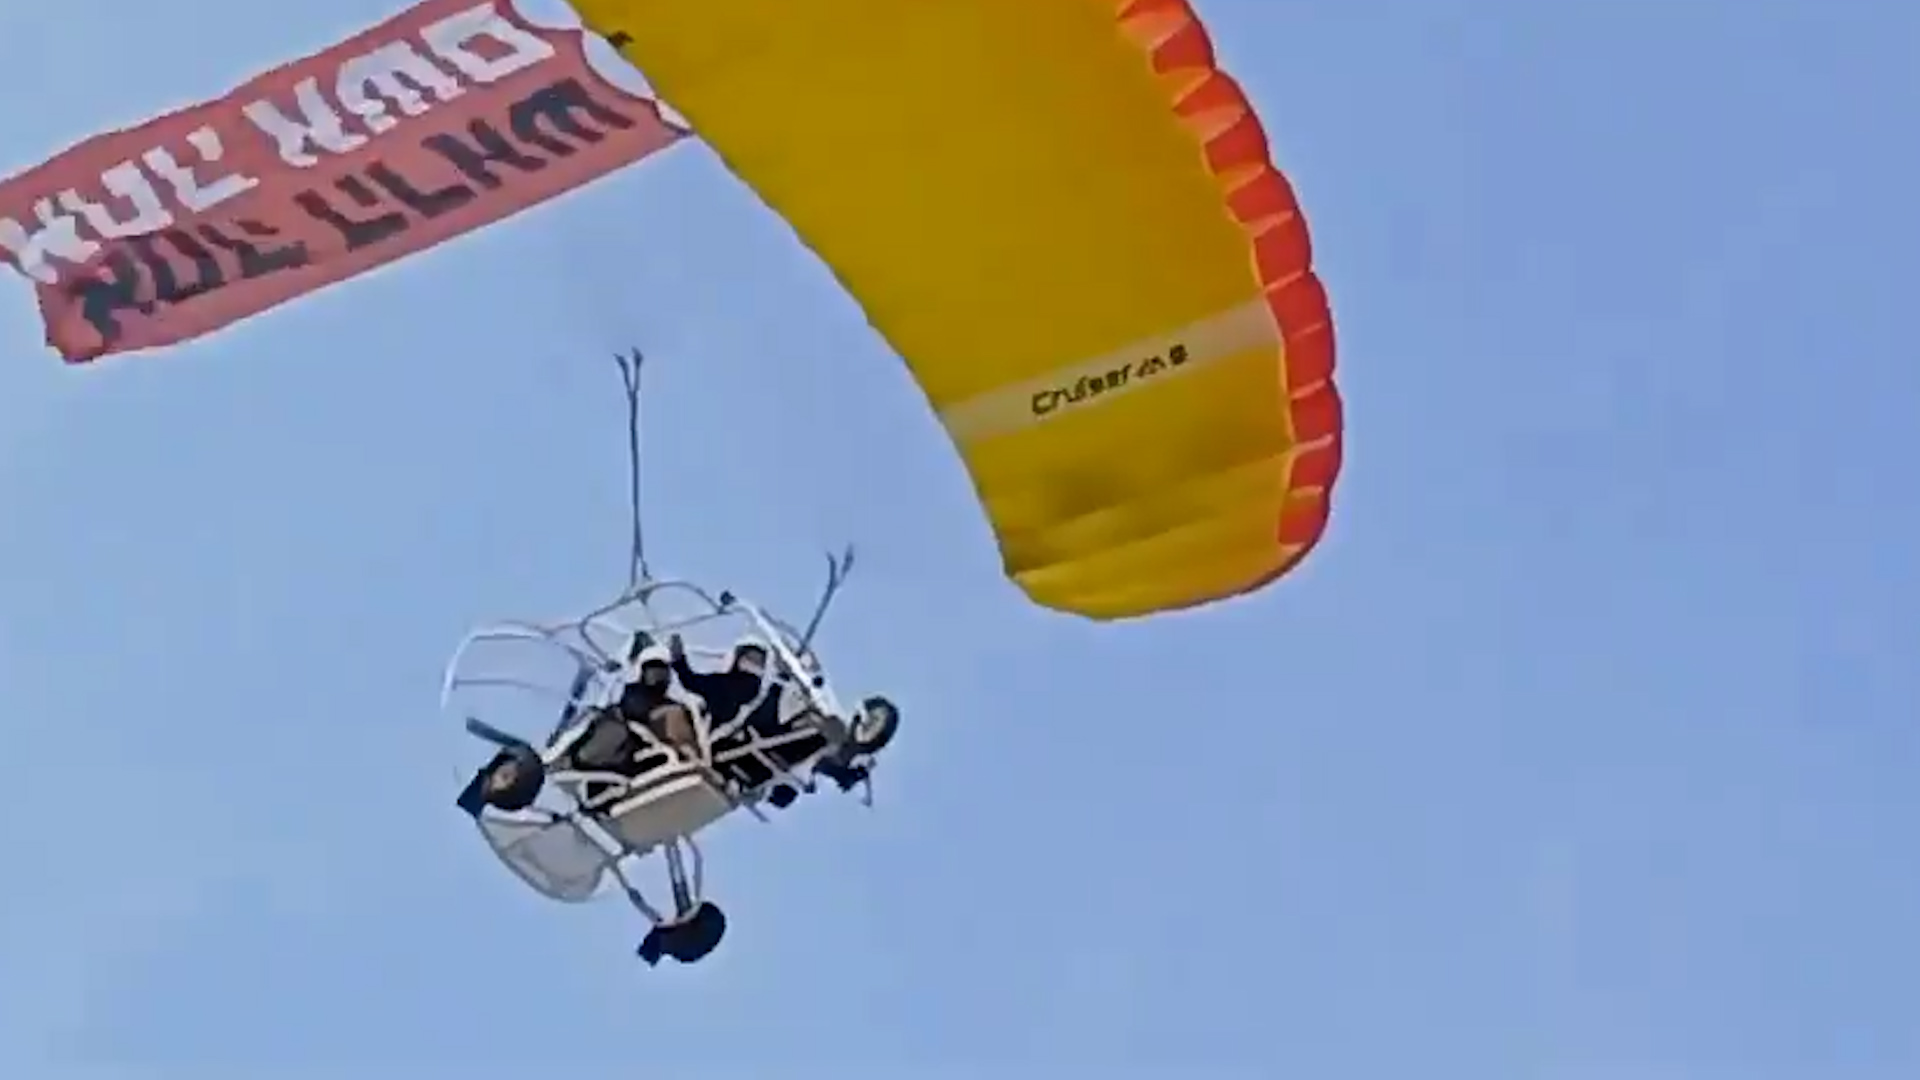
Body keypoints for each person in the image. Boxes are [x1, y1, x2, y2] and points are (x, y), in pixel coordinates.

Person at [668, 634, 778, 734]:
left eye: (758, 660)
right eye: (750, 658)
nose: (753, 663)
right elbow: (691, 681)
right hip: (726, 739)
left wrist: (678, 659)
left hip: (750, 740)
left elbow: (691, 681)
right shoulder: (721, 683)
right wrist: (679, 659)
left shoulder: (769, 692)